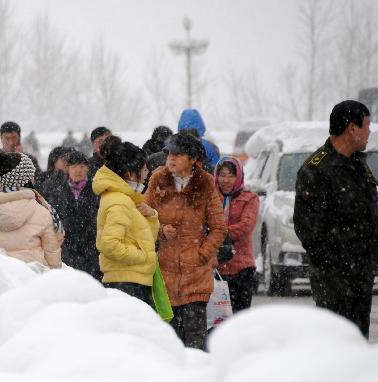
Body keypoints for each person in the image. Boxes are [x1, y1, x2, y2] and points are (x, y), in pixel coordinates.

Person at [294, 100, 378, 339]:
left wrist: (367, 261)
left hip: (361, 276)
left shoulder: (359, 165)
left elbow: (370, 218)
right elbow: (308, 229)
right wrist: (336, 267)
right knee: (335, 344)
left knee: (358, 341)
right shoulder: (316, 169)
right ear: (352, 129)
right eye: (366, 125)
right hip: (333, 281)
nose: (369, 132)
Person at [144, 133, 227, 349]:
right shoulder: (157, 179)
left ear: (192, 159)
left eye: (178, 155)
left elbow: (219, 227)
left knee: (195, 339)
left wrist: (202, 254)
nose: (171, 159)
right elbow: (143, 217)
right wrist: (161, 231)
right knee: (169, 340)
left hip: (196, 274)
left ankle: (197, 380)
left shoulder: (206, 183)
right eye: (169, 154)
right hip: (166, 272)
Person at [93, 136, 160, 305]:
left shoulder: (128, 199)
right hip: (127, 282)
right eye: (144, 169)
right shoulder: (119, 201)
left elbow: (144, 238)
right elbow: (109, 244)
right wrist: (143, 256)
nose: (146, 174)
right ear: (130, 173)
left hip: (131, 280)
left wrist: (151, 216)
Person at [0, 150, 62, 269]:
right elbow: (52, 255)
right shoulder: (41, 212)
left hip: (3, 279)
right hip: (33, 277)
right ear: (26, 179)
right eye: (31, 175)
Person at [47, 150, 101, 280]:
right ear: (68, 169)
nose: (78, 170)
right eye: (74, 166)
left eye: (82, 166)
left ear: (88, 168)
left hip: (91, 249)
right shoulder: (58, 192)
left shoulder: (96, 191)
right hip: (67, 249)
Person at [214, 156, 259, 312]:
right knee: (217, 320)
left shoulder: (249, 198)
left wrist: (218, 233)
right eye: (222, 175)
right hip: (215, 267)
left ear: (239, 176)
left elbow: (246, 226)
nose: (225, 180)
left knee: (240, 318)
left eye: (231, 175)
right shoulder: (210, 197)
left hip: (241, 268)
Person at [0, 121, 43, 200]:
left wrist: (19, 160)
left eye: (14, 138)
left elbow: (40, 185)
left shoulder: (30, 160)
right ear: (1, 138)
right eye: (7, 138)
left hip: (25, 207)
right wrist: (1, 193)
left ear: (19, 138)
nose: (11, 142)